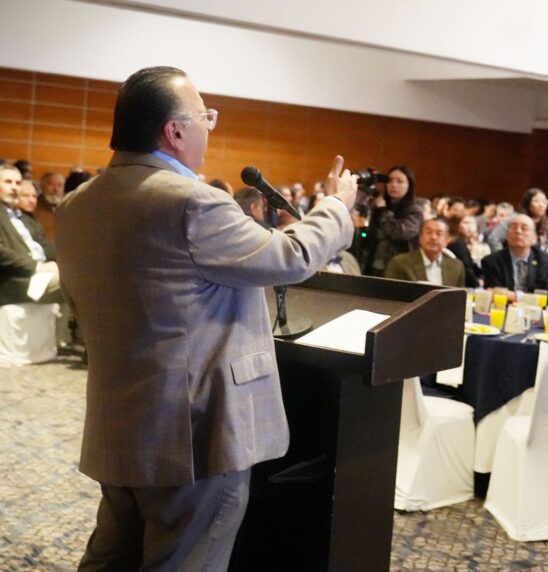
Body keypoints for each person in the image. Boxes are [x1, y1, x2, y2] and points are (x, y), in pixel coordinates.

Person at [54, 66, 356, 571]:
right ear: (174, 131)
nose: (209, 129)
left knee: (111, 559)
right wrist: (335, 207)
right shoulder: (191, 202)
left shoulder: (77, 205)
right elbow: (290, 257)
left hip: (119, 423)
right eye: (205, 117)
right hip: (193, 435)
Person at [0, 164, 62, 306]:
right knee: (74, 282)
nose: (14, 187)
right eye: (8, 182)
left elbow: (46, 247)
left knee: (81, 275)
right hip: (16, 279)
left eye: (18, 183)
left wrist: (70, 260)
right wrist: (37, 266)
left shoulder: (25, 219)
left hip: (40, 274)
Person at [481, 214, 548, 303]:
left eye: (524, 228)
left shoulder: (545, 261)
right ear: (506, 234)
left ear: (534, 237)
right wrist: (531, 298)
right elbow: (494, 295)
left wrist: (514, 296)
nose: (518, 231)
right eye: (514, 227)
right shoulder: (492, 261)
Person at [363, 165, 423, 276]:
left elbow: (399, 233)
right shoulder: (381, 206)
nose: (394, 185)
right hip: (373, 267)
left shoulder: (415, 211)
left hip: (399, 269)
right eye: (390, 181)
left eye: (400, 181)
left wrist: (383, 212)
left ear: (409, 185)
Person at [385, 218, 464, 287]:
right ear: (420, 238)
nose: (433, 237)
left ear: (447, 240)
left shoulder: (456, 266)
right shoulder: (400, 263)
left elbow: (459, 297)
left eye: (439, 234)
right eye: (429, 232)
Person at [487, 188, 548, 254]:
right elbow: (494, 238)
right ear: (528, 203)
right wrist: (501, 259)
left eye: (544, 202)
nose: (541, 205)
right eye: (537, 201)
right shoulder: (514, 220)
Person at [447, 214, 489, 288]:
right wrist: (477, 283)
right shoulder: (457, 243)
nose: (469, 226)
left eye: (472, 223)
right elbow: (465, 268)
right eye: (465, 222)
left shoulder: (468, 243)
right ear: (457, 225)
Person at [34, 171, 65, 241]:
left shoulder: (68, 206)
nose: (56, 189)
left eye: (60, 185)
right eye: (51, 184)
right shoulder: (34, 206)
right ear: (42, 186)